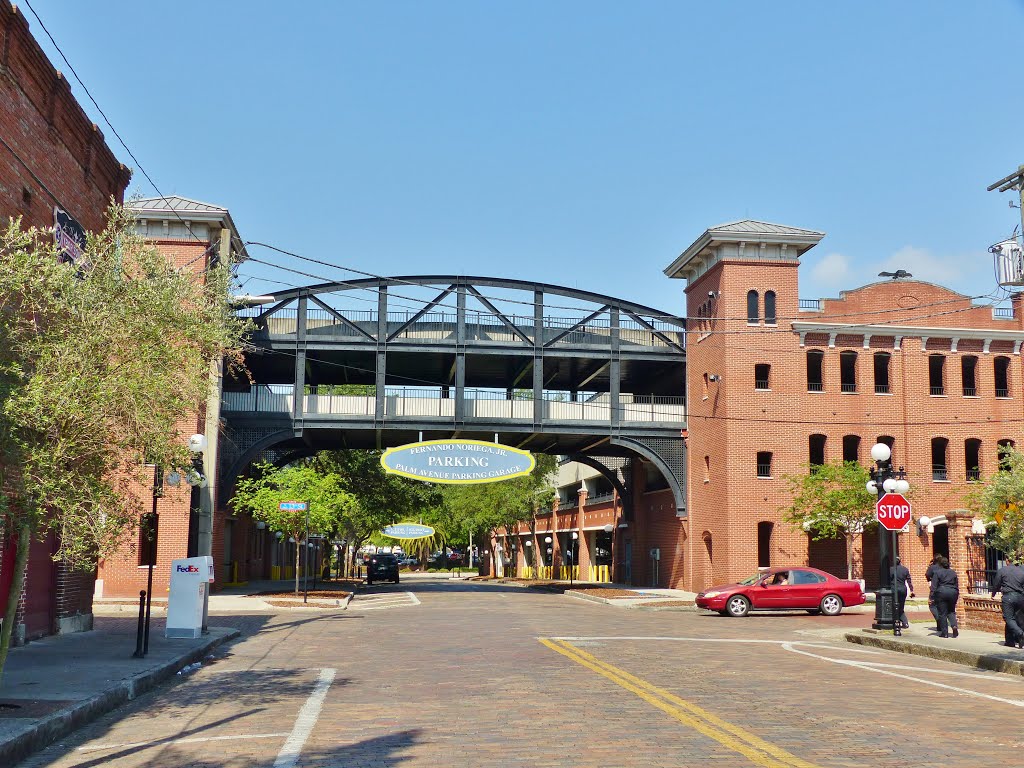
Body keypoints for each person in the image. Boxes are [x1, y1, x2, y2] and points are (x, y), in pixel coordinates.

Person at [990, 556, 1024, 648]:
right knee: (1019, 618)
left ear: (1007, 561)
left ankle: (1020, 633)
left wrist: (993, 594)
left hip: (1008, 596)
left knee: (1009, 619)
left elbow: (996, 583)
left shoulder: (1003, 570)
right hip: (1020, 597)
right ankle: (1010, 641)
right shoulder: (1021, 571)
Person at [924, 556, 958, 634]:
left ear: (940, 564)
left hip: (941, 592)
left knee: (942, 613)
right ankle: (954, 626)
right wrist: (956, 595)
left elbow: (934, 586)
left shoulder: (938, 573)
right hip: (953, 592)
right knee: (951, 611)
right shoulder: (953, 572)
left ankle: (944, 632)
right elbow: (956, 585)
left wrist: (931, 597)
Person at [891, 556, 914, 629]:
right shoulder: (905, 569)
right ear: (900, 561)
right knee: (901, 607)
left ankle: (896, 622)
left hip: (894, 589)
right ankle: (905, 622)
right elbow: (909, 581)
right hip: (903, 589)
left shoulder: (891, 570)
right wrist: (911, 590)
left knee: (894, 606)